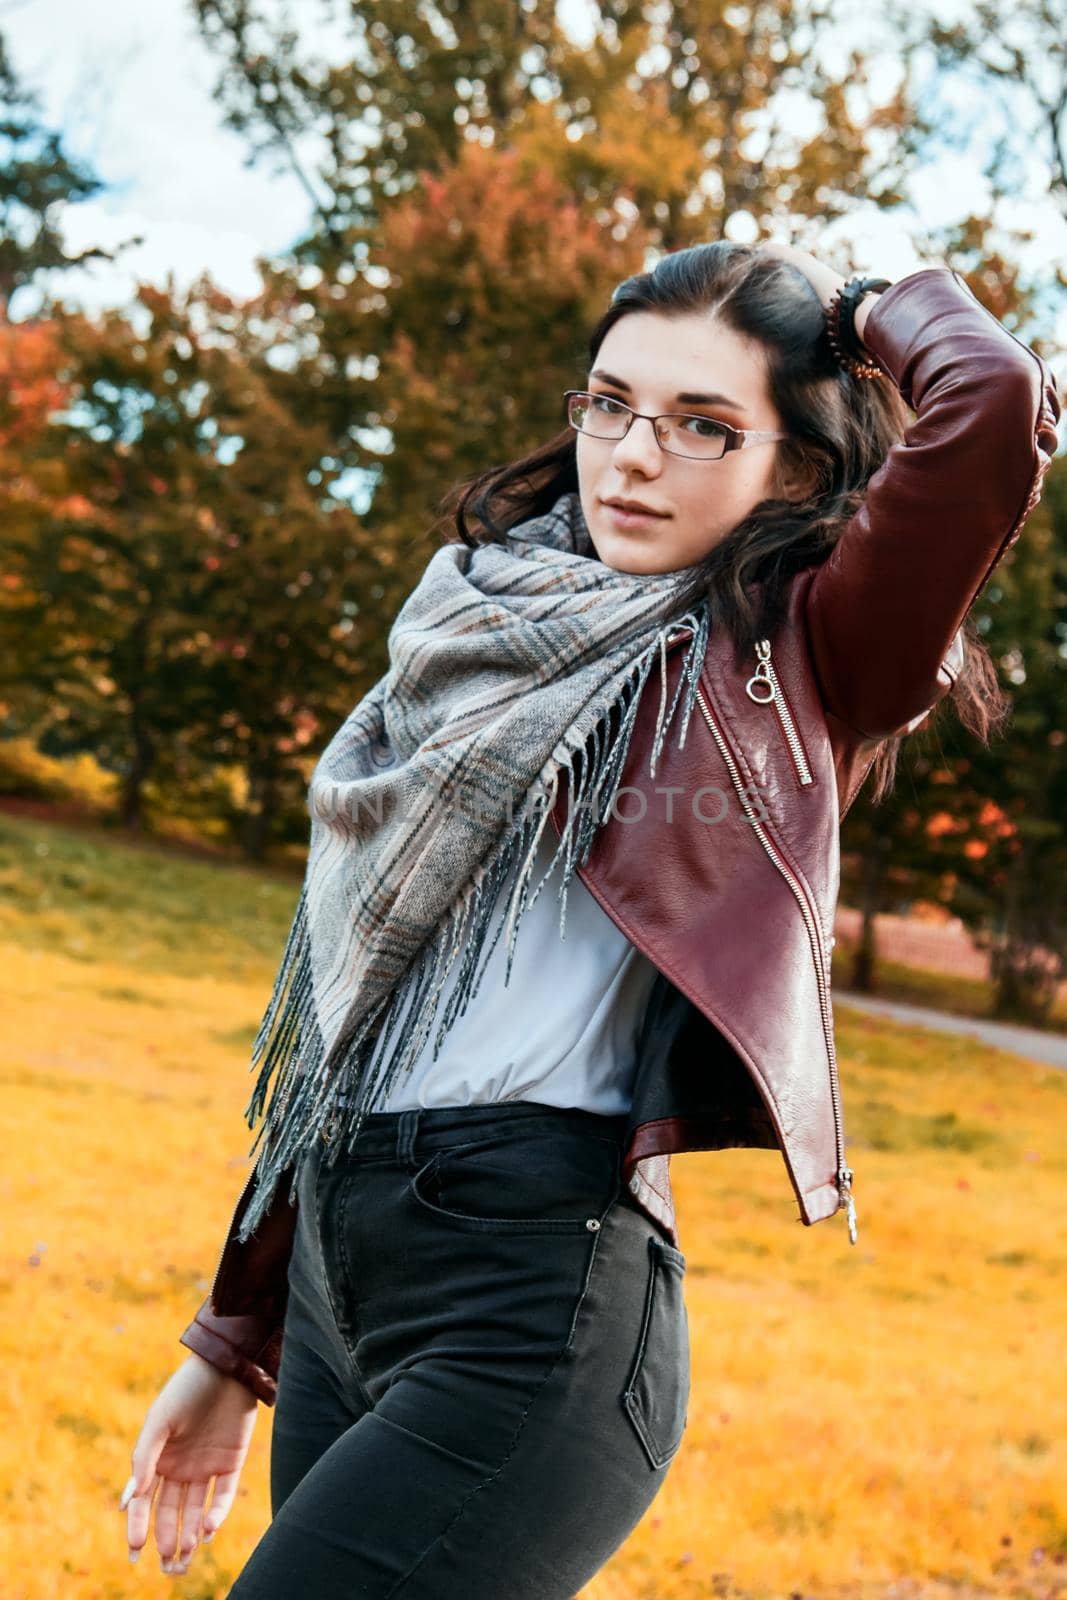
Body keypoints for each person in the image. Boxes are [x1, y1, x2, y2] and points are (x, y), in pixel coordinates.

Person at [118, 238, 1060, 1594]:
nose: (630, 456)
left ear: (789, 470)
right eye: (610, 404)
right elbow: (348, 1028)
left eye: (702, 426)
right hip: (338, 1264)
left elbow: (989, 406)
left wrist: (858, 311)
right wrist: (235, 1338)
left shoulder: (797, 656)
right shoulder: (465, 632)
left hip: (533, 1303)